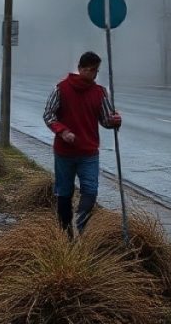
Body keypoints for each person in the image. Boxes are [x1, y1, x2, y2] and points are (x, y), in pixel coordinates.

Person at [43, 51, 122, 234]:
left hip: (89, 152)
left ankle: (81, 228)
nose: (92, 74)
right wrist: (62, 132)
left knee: (90, 190)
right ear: (79, 69)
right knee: (64, 192)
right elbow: (48, 115)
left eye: (95, 70)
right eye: (89, 70)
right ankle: (65, 232)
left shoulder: (100, 92)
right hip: (64, 152)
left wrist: (115, 121)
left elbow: (105, 120)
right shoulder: (60, 88)